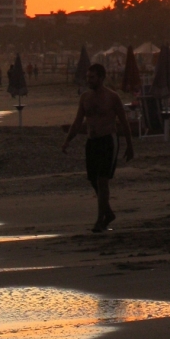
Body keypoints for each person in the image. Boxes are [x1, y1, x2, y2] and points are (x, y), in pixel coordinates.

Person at [62, 63, 134, 233]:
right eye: (87, 77)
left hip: (108, 141)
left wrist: (130, 146)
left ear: (101, 78)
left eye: (92, 77)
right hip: (92, 142)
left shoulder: (112, 97)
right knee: (94, 182)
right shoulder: (85, 97)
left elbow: (124, 123)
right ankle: (108, 213)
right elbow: (78, 122)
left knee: (102, 182)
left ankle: (100, 220)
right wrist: (67, 141)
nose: (89, 80)